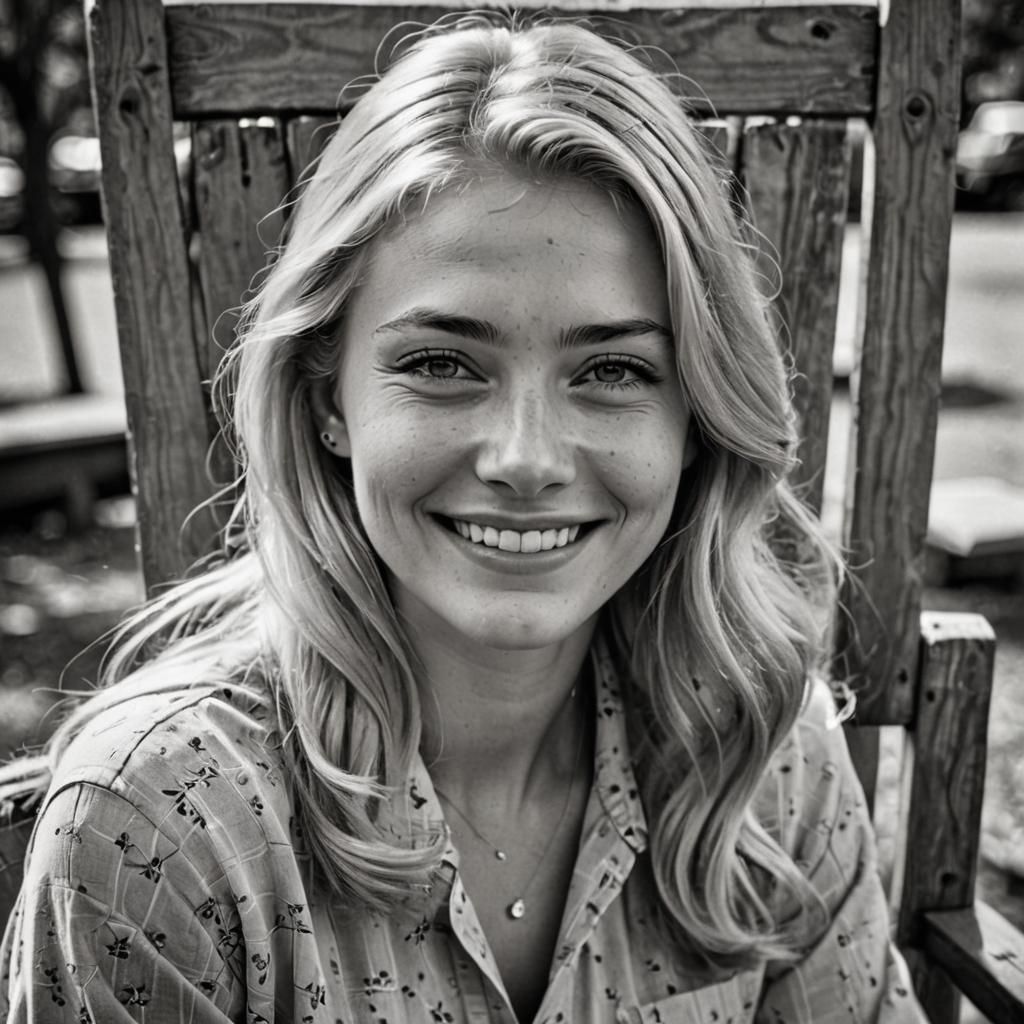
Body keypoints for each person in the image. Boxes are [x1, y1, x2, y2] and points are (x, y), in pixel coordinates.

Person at [1, 15, 925, 1024]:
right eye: (442, 363)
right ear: (325, 399)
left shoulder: (761, 756)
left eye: (613, 369)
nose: (526, 459)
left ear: (696, 415)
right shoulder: (166, 830)